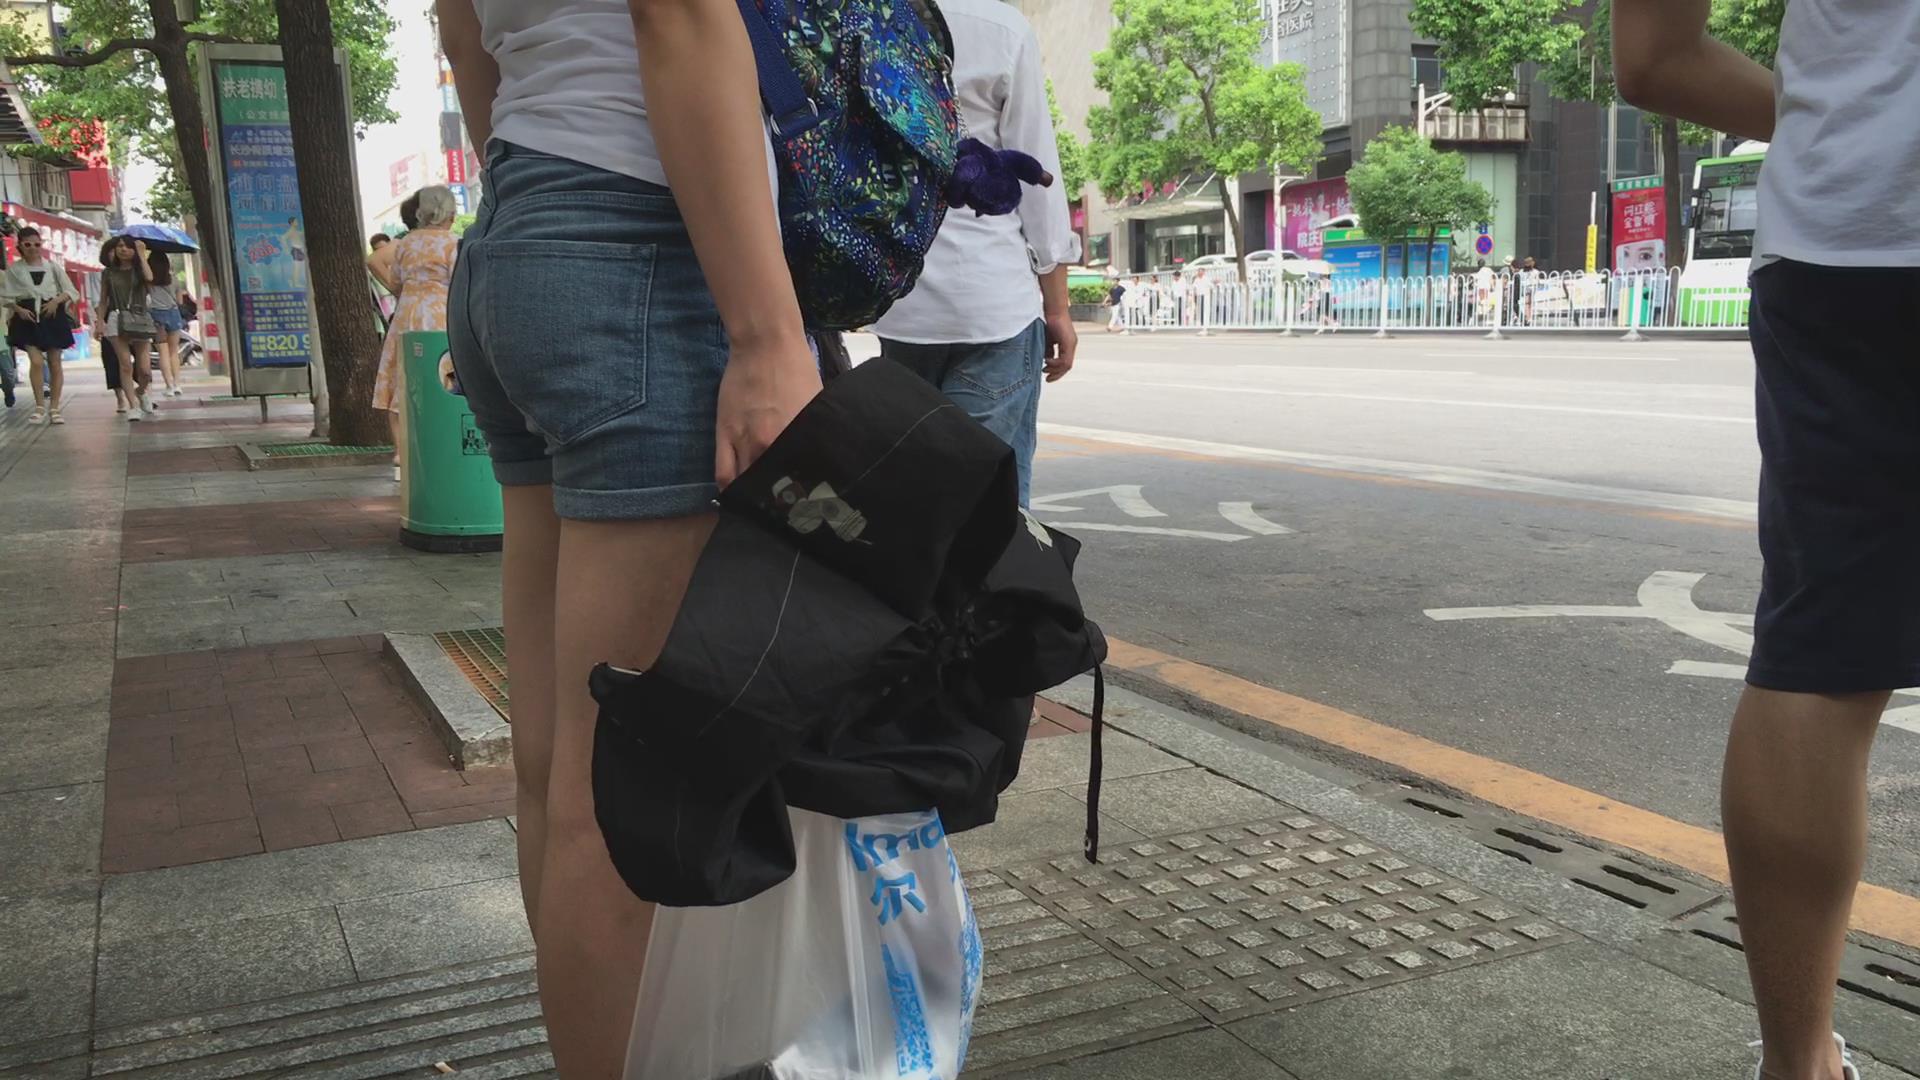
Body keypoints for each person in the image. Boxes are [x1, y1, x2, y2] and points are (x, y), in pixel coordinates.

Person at [439, 2, 823, 1073]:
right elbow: (679, 13)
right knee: (621, 799)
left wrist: (538, 212)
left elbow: (464, 36)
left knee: (553, 766)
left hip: (520, 227)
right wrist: (769, 335)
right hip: (645, 237)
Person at [1615, 3, 1915, 1079]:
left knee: (1819, 661)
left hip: (1853, 244)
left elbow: (1656, 57)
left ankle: (1799, 1069)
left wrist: (1848, 106)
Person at [872, 0, 1076, 507]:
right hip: (994, 306)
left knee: (918, 500)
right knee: (991, 511)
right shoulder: (1001, 27)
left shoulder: (867, 17)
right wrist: (1058, 308)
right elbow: (1038, 176)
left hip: (904, 310)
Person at [371, 186, 461, 480]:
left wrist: (410, 289)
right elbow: (459, 281)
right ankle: (442, 442)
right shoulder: (453, 244)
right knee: (444, 377)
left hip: (407, 315)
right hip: (441, 314)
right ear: (449, 213)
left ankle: (401, 452)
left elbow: (395, 280)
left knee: (401, 377)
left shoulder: (406, 243)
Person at [3, 227, 79, 424]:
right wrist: (18, 309)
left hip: (51, 314)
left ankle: (54, 407)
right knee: (36, 360)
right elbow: (6, 296)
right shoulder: (15, 270)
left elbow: (70, 291)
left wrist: (56, 301)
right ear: (20, 245)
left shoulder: (52, 267)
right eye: (28, 244)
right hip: (27, 317)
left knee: (55, 362)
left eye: (37, 244)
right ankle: (39, 406)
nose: (33, 248)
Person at [97, 235, 158, 421]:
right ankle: (133, 406)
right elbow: (103, 300)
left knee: (145, 370)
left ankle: (141, 391)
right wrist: (99, 322)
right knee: (125, 365)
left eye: (128, 246)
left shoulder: (140, 270)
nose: (123, 249)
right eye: (120, 246)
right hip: (117, 317)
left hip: (140, 317)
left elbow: (150, 278)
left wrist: (141, 254)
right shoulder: (109, 273)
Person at [147, 251, 186, 397]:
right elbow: (180, 301)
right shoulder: (174, 279)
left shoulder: (148, 280)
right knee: (173, 352)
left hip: (156, 315)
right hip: (173, 314)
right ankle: (177, 385)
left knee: (162, 353)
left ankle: (169, 386)